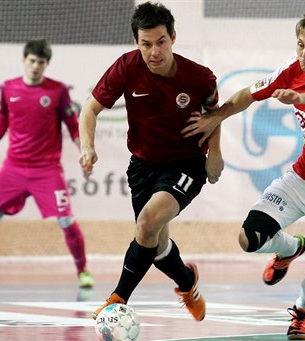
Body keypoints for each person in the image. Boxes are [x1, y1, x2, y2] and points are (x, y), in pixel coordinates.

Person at [183, 9, 305, 339]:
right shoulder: (291, 70)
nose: (304, 54)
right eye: (300, 45)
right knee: (248, 239)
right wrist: (218, 117)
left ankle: (302, 309)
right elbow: (247, 95)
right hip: (301, 179)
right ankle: (289, 248)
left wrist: (301, 96)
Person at [79, 2, 223, 321]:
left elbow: (215, 114)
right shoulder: (127, 67)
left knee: (147, 223)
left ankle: (117, 300)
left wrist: (216, 152)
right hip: (143, 165)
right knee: (156, 247)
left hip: (186, 165)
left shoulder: (199, 77)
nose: (154, 52)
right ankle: (188, 283)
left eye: (161, 42)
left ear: (173, 37)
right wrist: (87, 148)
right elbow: (89, 110)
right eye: (146, 44)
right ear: (136, 42)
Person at [0, 39, 94, 289]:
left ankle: (82, 271)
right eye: (31, 61)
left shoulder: (58, 91)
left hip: (47, 169)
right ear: (24, 60)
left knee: (65, 219)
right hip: (13, 168)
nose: (35, 67)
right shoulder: (9, 88)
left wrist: (84, 152)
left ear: (47, 64)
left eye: (41, 63)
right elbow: (1, 123)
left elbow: (73, 126)